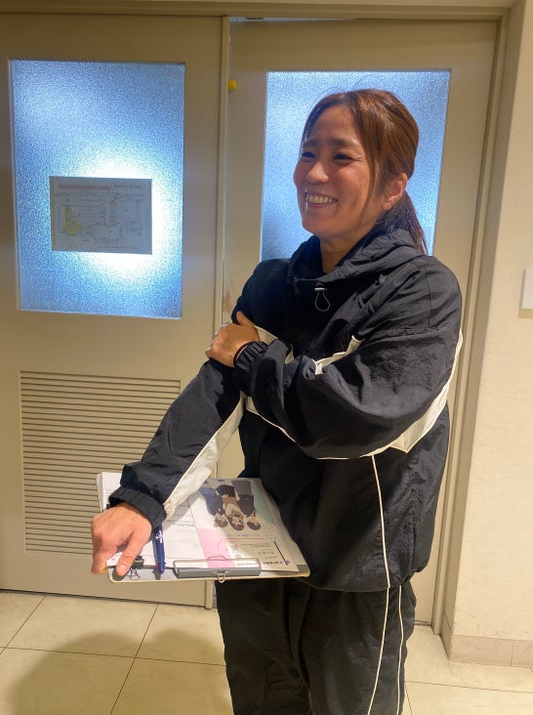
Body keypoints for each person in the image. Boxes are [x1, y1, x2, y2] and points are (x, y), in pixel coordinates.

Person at [91, 88, 462, 714]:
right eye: (307, 152)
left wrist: (252, 358)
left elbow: (352, 418)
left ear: (393, 186)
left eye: (341, 156)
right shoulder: (272, 283)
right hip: (259, 549)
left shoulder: (422, 292)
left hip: (357, 565)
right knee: (261, 701)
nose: (314, 173)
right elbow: (213, 393)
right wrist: (142, 497)